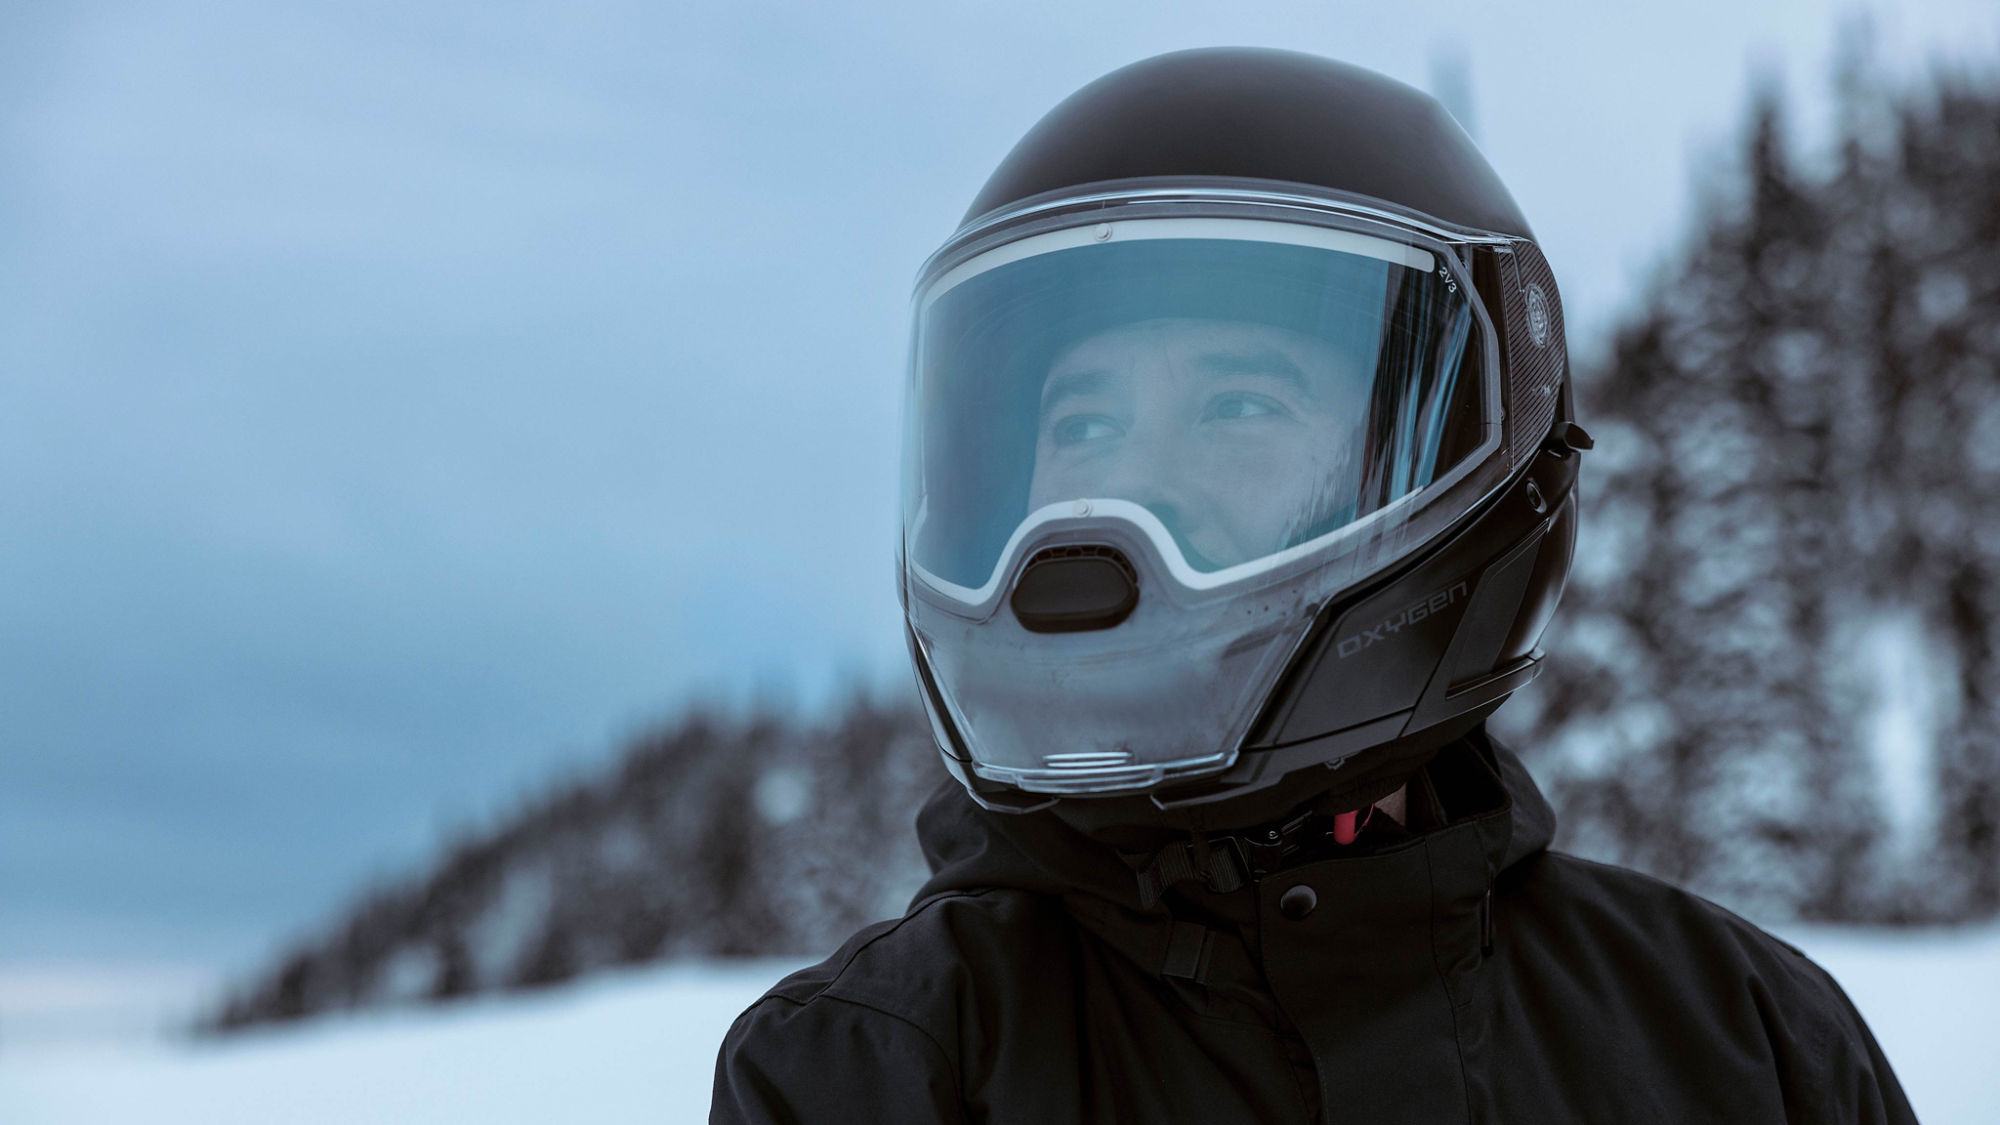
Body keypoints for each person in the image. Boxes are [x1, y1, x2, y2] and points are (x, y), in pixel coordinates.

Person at [710, 47, 1916, 1123]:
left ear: (1464, 458)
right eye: (1080, 422)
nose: (1129, 486)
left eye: (1238, 407)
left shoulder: (1740, 1045)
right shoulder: (874, 1072)